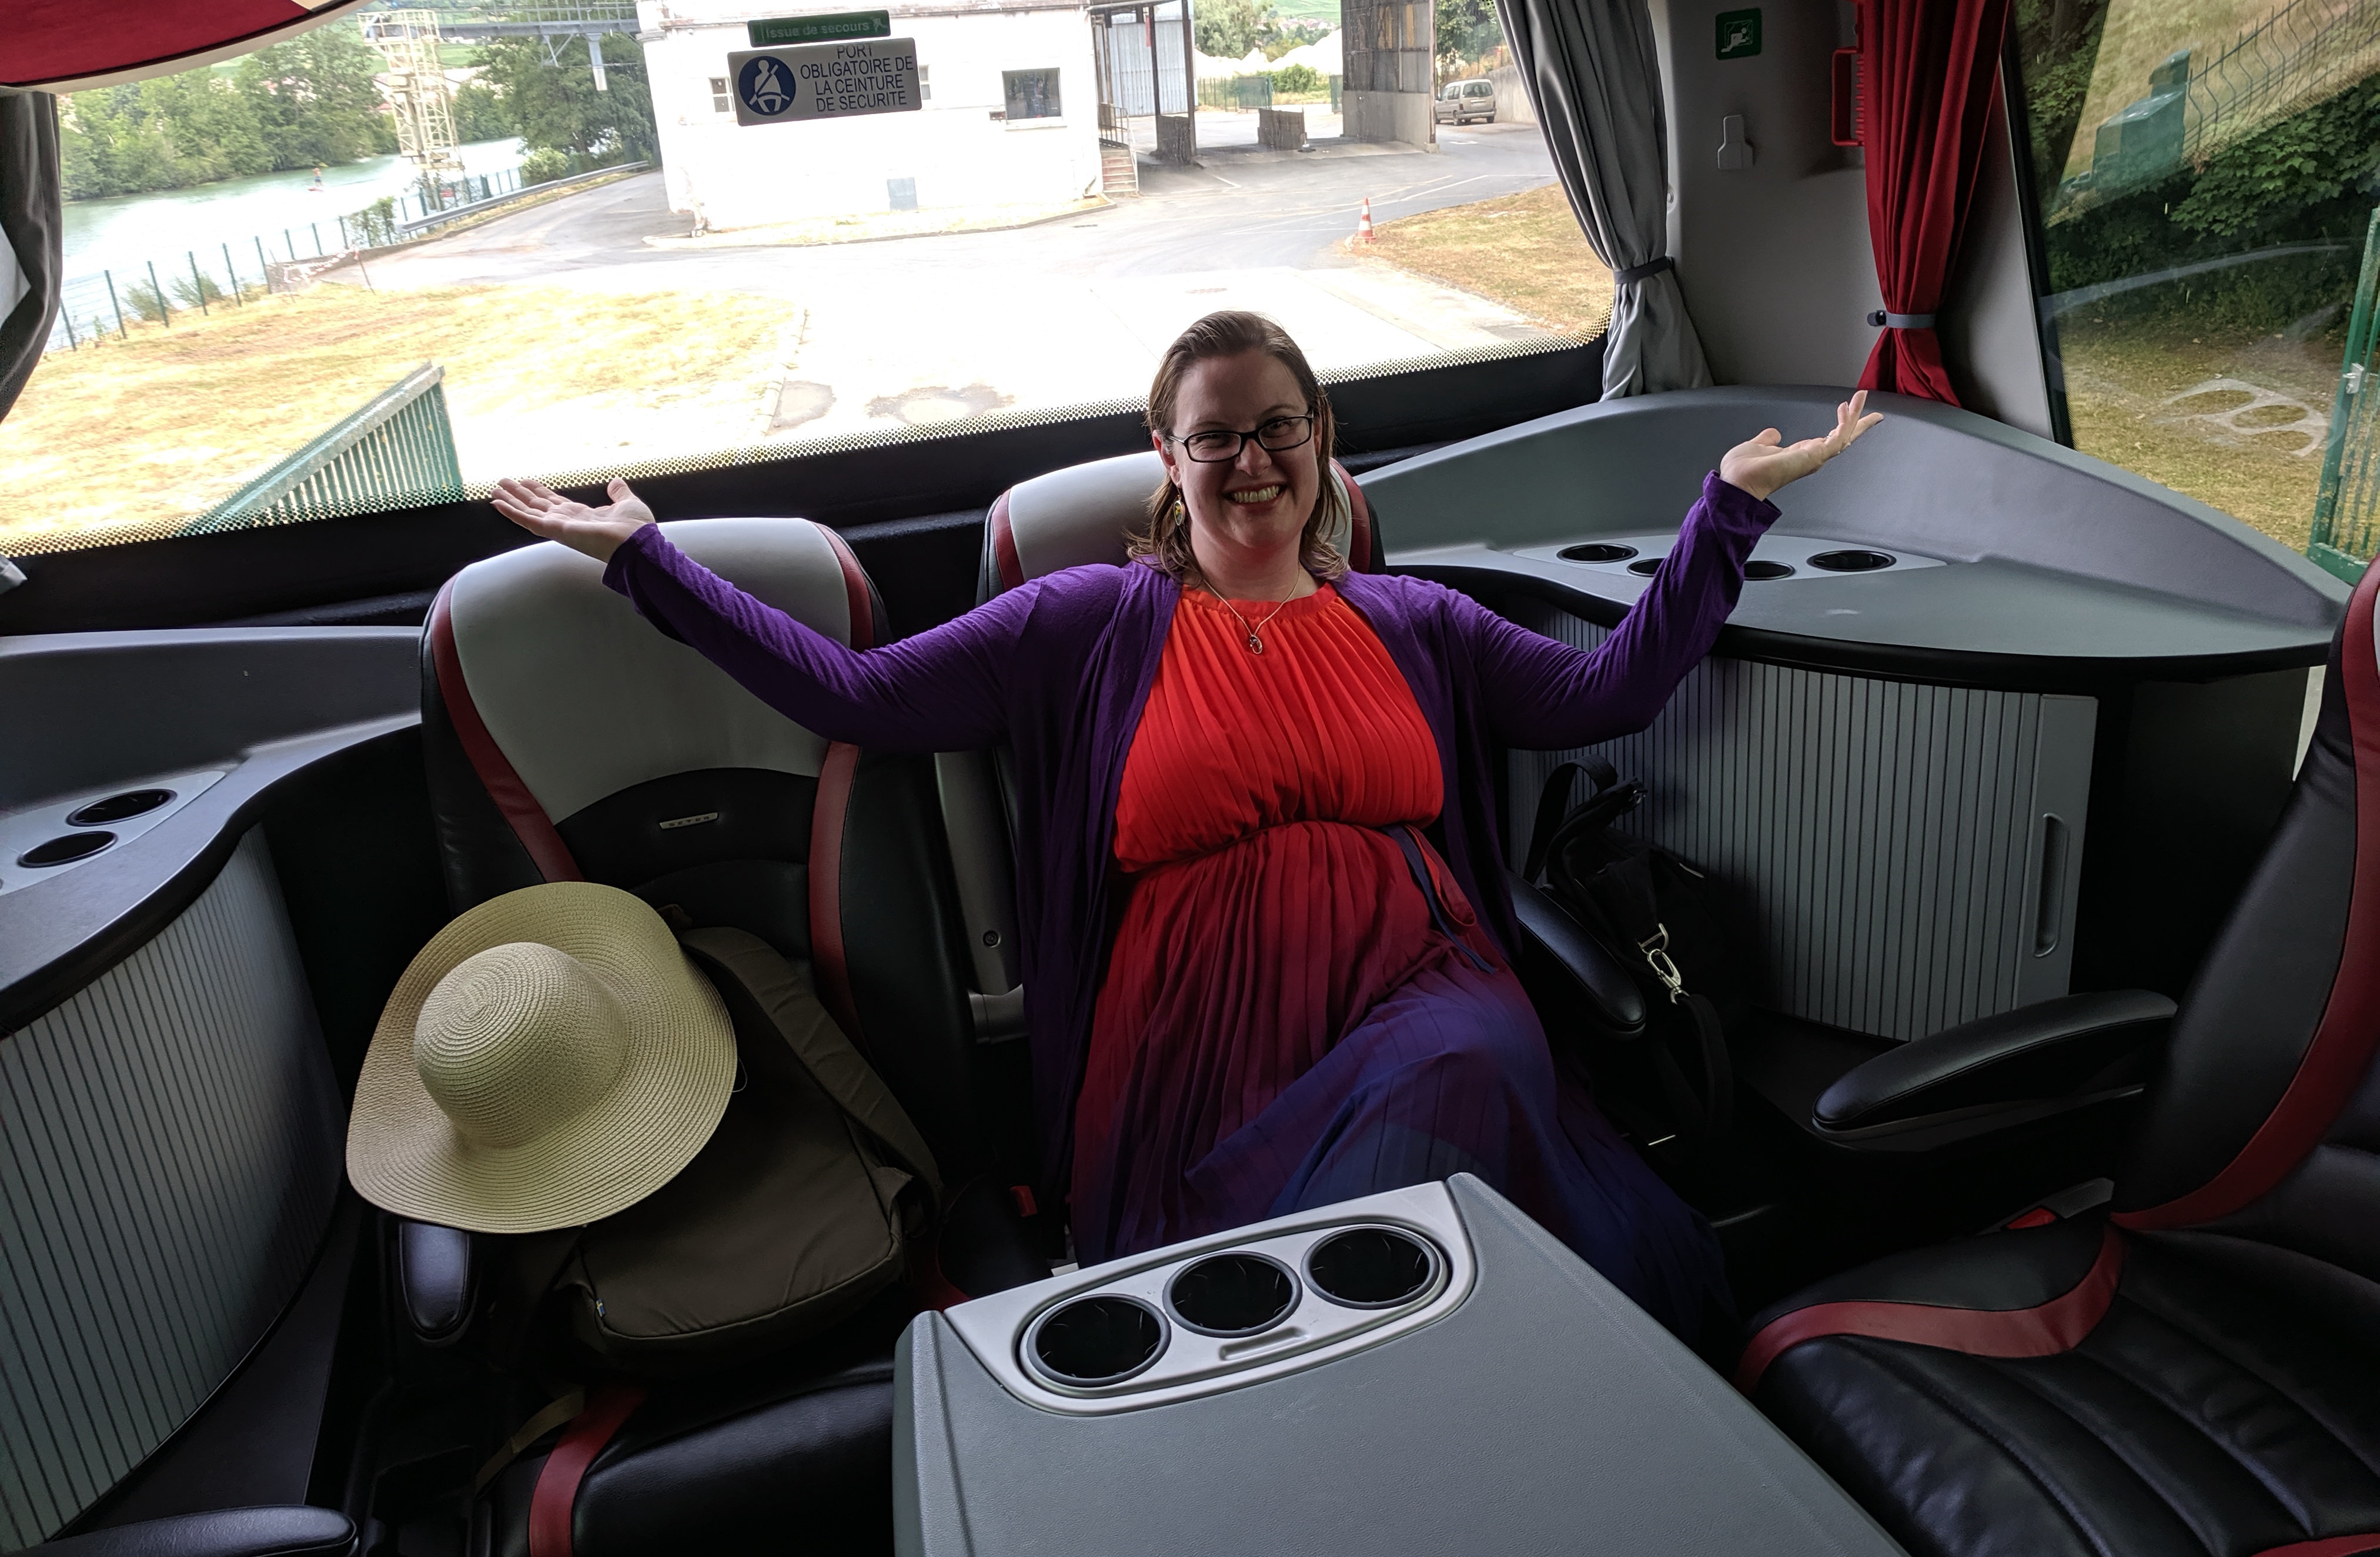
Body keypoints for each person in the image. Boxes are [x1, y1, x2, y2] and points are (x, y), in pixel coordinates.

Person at [490, 310, 1881, 1345]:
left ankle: (1436, 1396)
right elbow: (857, 695)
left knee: (1461, 1068)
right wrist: (648, 565)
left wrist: (1725, 514)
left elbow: (1604, 694)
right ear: (1168, 457)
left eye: (1278, 425)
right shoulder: (1082, 622)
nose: (1251, 459)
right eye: (1214, 435)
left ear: (1321, 438)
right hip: (1195, 1035)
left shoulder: (1417, 622)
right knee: (1402, 1183)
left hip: (1421, 982)